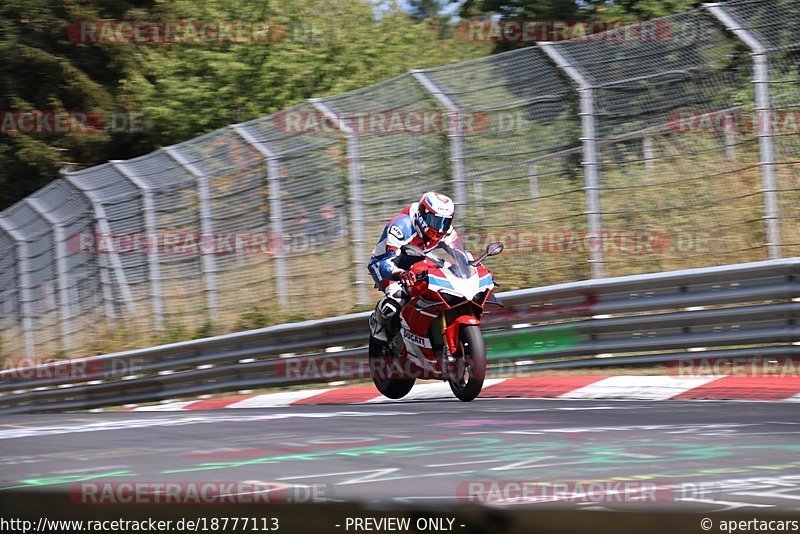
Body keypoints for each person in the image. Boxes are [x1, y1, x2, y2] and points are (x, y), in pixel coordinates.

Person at [367, 191, 459, 342]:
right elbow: (386, 262)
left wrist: (471, 266)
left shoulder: (446, 230)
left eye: (445, 222)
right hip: (387, 263)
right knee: (397, 296)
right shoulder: (401, 227)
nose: (441, 228)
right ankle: (379, 321)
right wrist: (400, 273)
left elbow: (459, 252)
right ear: (423, 215)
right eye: (436, 221)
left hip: (420, 260)